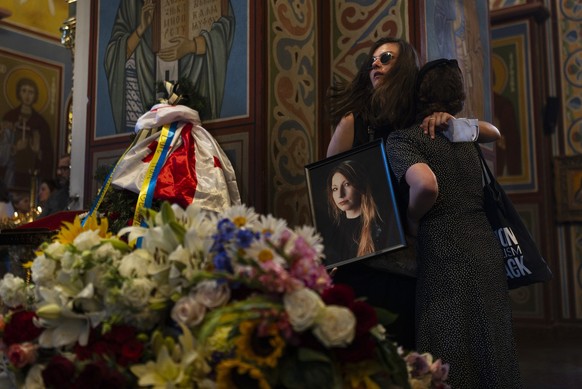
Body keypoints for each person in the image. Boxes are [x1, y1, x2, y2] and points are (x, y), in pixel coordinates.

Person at [386, 58, 521, 388]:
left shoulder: (404, 140)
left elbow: (426, 185)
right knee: (493, 346)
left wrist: (411, 218)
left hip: (443, 248)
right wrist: (456, 123)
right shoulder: (464, 136)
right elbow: (495, 131)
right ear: (458, 97)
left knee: (447, 346)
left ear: (419, 95)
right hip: (484, 248)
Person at [104, 0, 235, 133]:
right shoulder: (132, 4)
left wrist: (192, 46)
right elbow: (113, 55)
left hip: (194, 79)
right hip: (148, 87)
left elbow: (224, 30)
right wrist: (141, 29)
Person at [324, 159, 401, 264]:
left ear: (360, 186)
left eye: (346, 184)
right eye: (335, 189)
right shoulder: (332, 235)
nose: (340, 195)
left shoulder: (383, 224)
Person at [1, 77, 54, 190]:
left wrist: (38, 151)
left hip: (32, 175)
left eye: (31, 92)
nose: (27, 96)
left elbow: (48, 155)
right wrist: (15, 148)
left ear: (35, 95)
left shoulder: (41, 123)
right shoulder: (10, 117)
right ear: (18, 92)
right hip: (12, 174)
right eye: (24, 91)